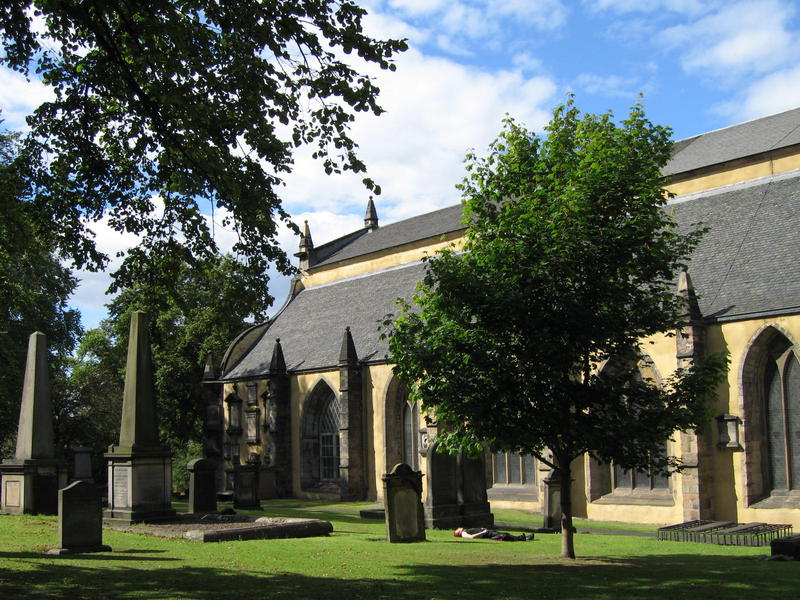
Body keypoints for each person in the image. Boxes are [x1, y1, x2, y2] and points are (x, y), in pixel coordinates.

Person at [454, 527, 534, 541]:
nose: (458, 528)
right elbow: (471, 537)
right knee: (505, 535)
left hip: (488, 533)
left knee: (505, 534)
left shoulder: (466, 531)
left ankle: (524, 538)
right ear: (458, 533)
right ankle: (523, 538)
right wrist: (483, 532)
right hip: (487, 535)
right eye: (457, 530)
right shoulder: (464, 534)